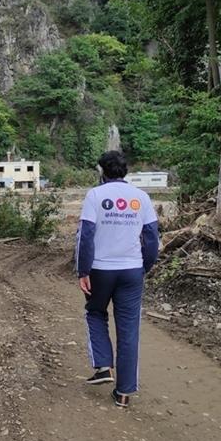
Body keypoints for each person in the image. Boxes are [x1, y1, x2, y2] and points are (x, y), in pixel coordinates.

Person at [75, 151, 159, 407]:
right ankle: (123, 393)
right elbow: (152, 236)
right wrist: (145, 265)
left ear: (102, 170)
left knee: (95, 312)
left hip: (101, 269)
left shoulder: (95, 195)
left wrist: (83, 271)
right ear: (125, 171)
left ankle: (103, 367)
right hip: (132, 271)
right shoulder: (141, 197)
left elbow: (86, 236)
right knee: (129, 330)